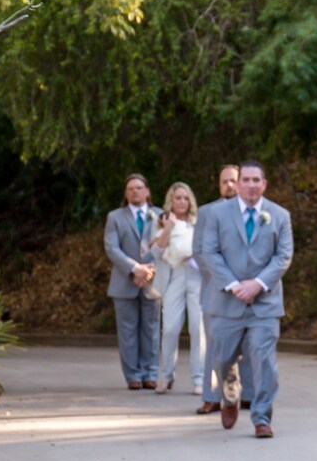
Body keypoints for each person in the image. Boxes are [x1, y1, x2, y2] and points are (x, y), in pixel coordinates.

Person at [196, 160, 293, 437]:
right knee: (222, 359)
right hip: (227, 301)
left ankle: (262, 417)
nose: (251, 185)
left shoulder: (279, 215)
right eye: (246, 180)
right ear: (238, 184)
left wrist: (258, 285)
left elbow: (283, 256)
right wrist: (234, 285)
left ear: (264, 184)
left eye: (256, 180)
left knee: (264, 362)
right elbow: (209, 252)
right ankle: (229, 396)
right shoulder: (217, 214)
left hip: (265, 304)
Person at [195, 163, 247, 417]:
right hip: (216, 290)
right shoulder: (206, 213)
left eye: (232, 180)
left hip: (249, 291)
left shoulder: (252, 211)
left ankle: (247, 395)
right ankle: (212, 396)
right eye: (224, 181)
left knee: (248, 344)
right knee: (215, 345)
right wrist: (225, 280)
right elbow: (199, 251)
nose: (228, 185)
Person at [104, 173, 162, 389]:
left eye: (139, 188)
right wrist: (134, 268)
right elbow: (112, 247)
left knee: (152, 329)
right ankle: (133, 376)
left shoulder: (160, 215)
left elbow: (165, 246)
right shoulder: (115, 217)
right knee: (127, 332)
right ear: (125, 194)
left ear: (147, 191)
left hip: (153, 281)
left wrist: (150, 270)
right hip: (123, 281)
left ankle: (150, 374)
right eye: (130, 189)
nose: (135, 192)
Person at [150, 182, 203, 394]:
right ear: (170, 200)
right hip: (174, 274)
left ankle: (199, 378)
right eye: (177, 198)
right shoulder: (162, 221)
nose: (181, 202)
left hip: (197, 276)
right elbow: (156, 251)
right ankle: (166, 375)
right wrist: (168, 229)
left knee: (198, 328)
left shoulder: (197, 222)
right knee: (170, 328)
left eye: (185, 198)